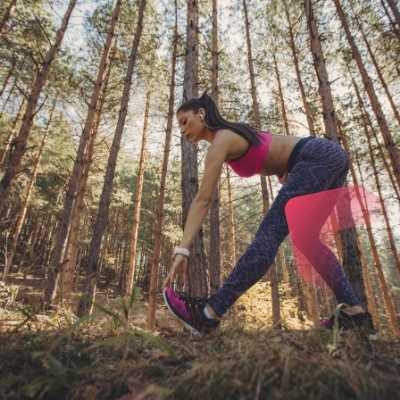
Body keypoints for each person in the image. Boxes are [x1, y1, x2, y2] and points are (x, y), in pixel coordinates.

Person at [162, 92, 374, 336]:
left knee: (268, 236)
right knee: (305, 239)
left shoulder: (222, 140)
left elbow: (202, 199)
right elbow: (272, 151)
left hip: (317, 156)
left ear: (201, 114)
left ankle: (208, 314)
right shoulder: (230, 136)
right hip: (325, 157)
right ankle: (354, 312)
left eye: (184, 121)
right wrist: (284, 171)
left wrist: (183, 249)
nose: (182, 129)